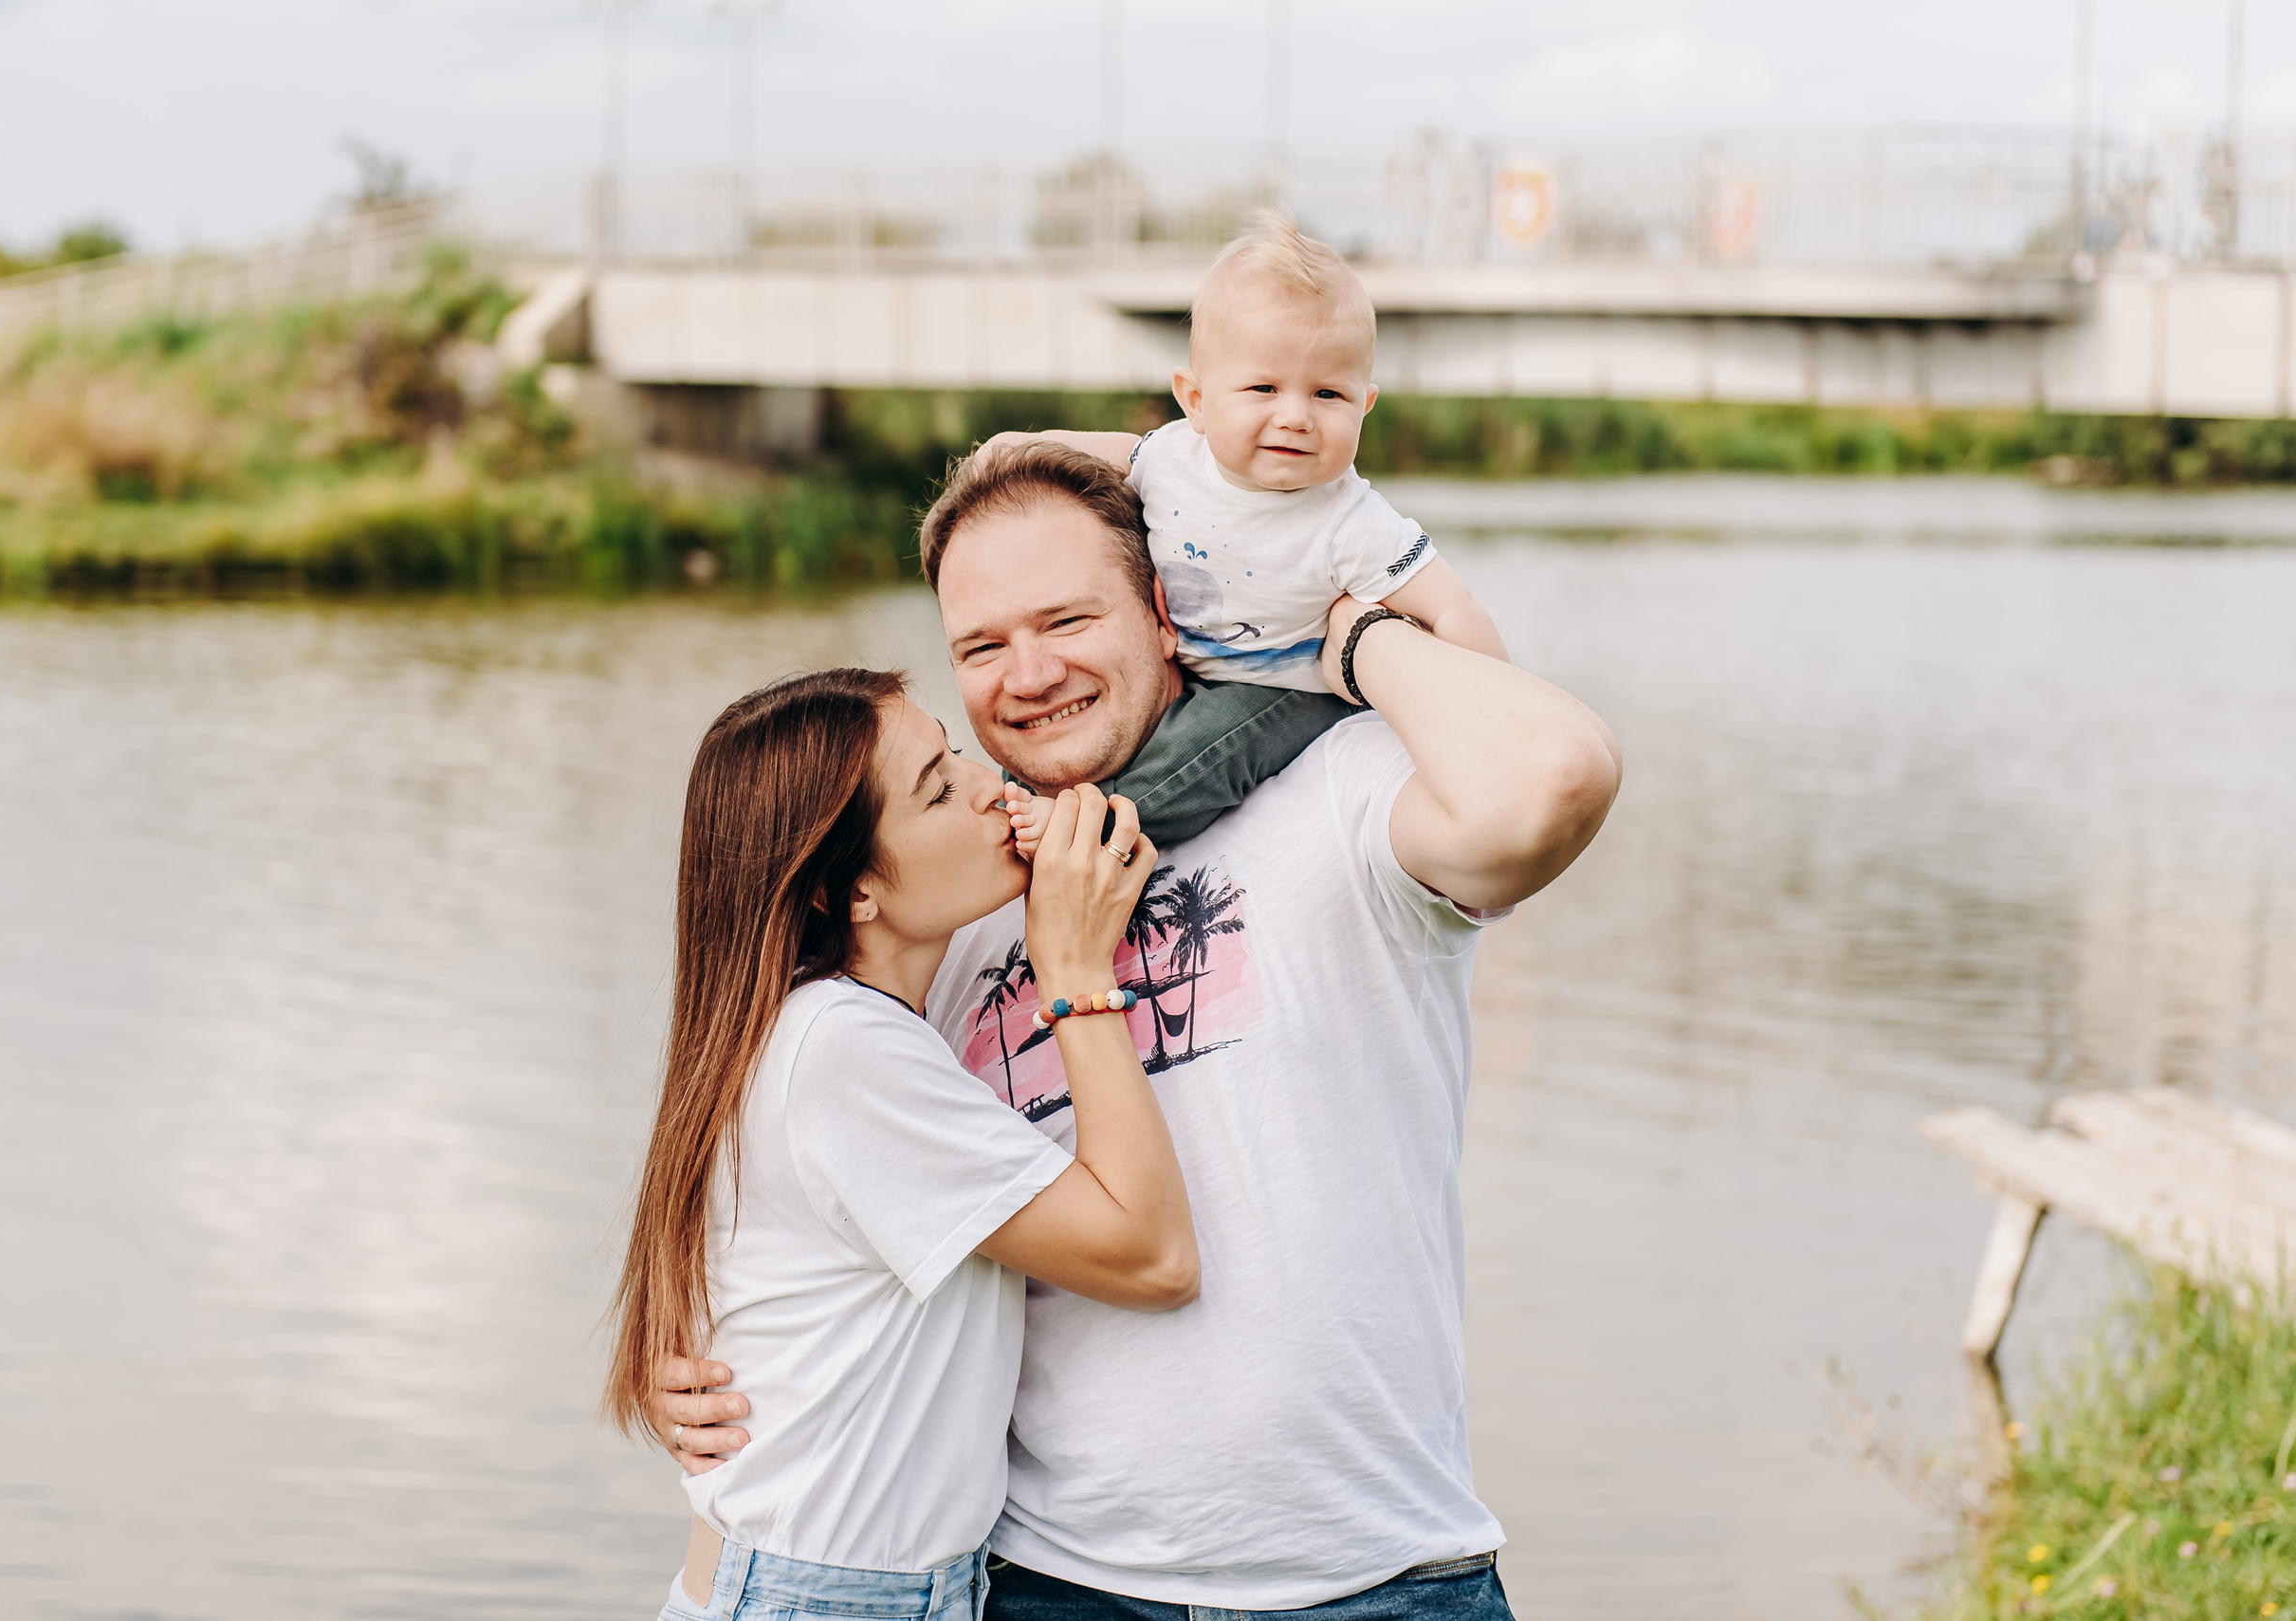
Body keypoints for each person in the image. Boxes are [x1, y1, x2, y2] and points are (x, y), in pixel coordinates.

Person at [652, 444, 1622, 1618]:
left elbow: (1556, 775)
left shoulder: (1337, 792)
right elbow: (783, 1168)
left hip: (1372, 1576)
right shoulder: (953, 892)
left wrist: (1343, 633)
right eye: (980, 644)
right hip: (1045, 1579)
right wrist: (719, 1371)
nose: (1029, 673)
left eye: (1067, 617)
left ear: (1169, 615)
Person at [604, 668, 1202, 1621]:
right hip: (825, 1597)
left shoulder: (818, 1023)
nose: (989, 785)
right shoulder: (846, 1047)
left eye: (954, 750)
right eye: (936, 786)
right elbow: (1152, 1252)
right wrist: (1079, 977)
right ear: (855, 891)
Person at [992, 210, 1508, 857]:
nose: (1295, 416)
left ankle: (1097, 832)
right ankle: (1028, 796)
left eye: (1328, 395)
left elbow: (1452, 606)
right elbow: (1117, 453)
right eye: (1263, 387)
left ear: (1364, 405)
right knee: (1065, 726)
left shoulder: (1350, 520)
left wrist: (1501, 708)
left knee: (1203, 755)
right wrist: (1021, 446)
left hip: (1280, 686)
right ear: (1197, 401)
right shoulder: (1174, 458)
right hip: (1181, 662)